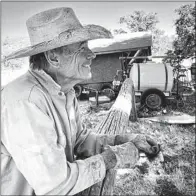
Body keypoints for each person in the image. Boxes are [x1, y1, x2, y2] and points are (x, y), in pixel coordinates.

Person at [1, 7, 160, 195]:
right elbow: (56, 184)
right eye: (82, 48)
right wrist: (112, 158)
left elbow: (80, 140)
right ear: (53, 57)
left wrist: (124, 139)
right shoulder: (25, 101)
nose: (92, 54)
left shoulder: (64, 92)